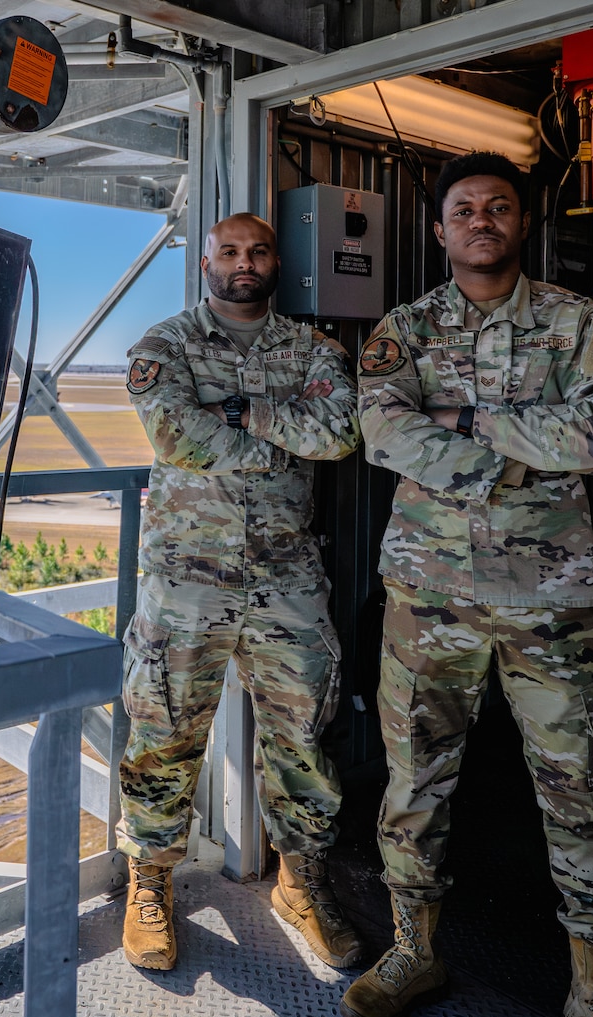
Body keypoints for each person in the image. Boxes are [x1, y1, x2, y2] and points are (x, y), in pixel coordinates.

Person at [348, 152, 593, 1017]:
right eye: (460, 210)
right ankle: (412, 949)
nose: (478, 220)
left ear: (518, 224)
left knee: (581, 791)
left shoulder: (580, 322)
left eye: (495, 207)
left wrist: (461, 417)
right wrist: (515, 445)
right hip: (428, 598)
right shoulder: (400, 329)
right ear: (439, 231)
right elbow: (378, 430)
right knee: (415, 777)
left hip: (550, 599)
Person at [117, 212, 362, 972]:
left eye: (257, 250)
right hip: (188, 578)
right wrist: (283, 440)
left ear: (276, 263)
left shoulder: (314, 348)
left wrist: (243, 412)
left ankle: (301, 883)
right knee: (163, 731)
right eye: (228, 251)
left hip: (287, 577)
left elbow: (342, 434)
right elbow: (178, 439)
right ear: (207, 263)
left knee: (303, 741)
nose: (243, 262)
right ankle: (149, 882)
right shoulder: (163, 345)